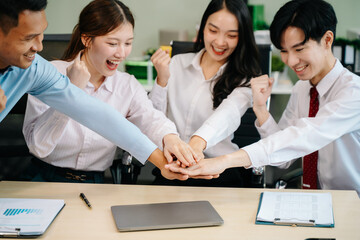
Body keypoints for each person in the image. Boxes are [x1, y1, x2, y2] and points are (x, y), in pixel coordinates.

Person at [168, 0, 360, 195]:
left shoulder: (354, 93)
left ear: (327, 40)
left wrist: (224, 161)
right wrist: (260, 109)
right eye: (284, 51)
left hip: (352, 201)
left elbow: (304, 137)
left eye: (299, 49)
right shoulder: (302, 89)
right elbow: (284, 158)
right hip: (314, 198)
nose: (291, 61)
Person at [0, 0, 200, 182]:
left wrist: (165, 151)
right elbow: (39, 147)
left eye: (128, 43)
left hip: (96, 183)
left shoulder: (35, 69)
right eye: (112, 43)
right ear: (87, 40)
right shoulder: (52, 71)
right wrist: (72, 90)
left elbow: (107, 118)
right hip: (44, 178)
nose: (39, 46)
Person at [149, 0, 261, 187]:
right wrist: (161, 80)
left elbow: (227, 115)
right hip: (172, 170)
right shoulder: (177, 63)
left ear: (242, 38)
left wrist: (195, 146)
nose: (219, 42)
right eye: (213, 31)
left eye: (231, 35)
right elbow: (152, 117)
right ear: (202, 29)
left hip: (218, 173)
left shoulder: (245, 79)